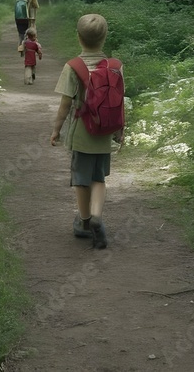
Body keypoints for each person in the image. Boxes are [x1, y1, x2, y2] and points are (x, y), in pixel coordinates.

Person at [50, 14, 124, 249]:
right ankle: (97, 216)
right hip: (105, 133)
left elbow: (65, 105)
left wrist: (56, 130)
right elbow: (120, 101)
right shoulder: (115, 67)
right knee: (98, 178)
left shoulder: (73, 67)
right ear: (105, 37)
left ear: (78, 37)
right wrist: (121, 129)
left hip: (83, 132)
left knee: (81, 180)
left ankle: (84, 223)